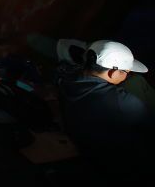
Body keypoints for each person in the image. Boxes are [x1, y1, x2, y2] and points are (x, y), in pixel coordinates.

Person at [58, 40, 153, 172]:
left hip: (88, 152)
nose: (128, 76)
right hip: (122, 164)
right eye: (128, 72)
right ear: (113, 73)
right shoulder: (124, 102)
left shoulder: (65, 80)